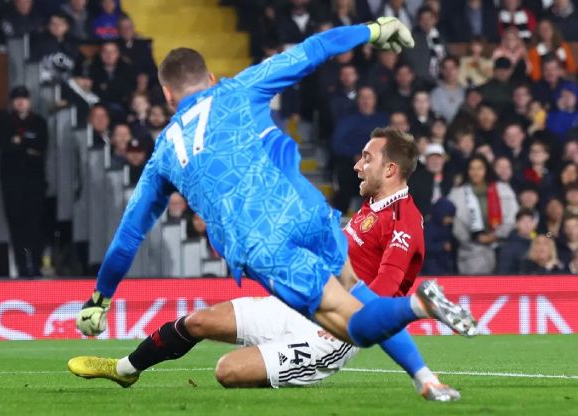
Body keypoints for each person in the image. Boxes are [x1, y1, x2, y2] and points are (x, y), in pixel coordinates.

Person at [69, 18, 476, 401]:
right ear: (210, 79)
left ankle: (417, 305)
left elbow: (129, 237)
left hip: (263, 240)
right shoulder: (239, 87)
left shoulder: (162, 155)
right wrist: (373, 29)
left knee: (350, 325)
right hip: (306, 208)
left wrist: (100, 298)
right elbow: (315, 48)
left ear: (167, 95)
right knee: (358, 295)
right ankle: (424, 376)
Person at [70, 131, 463, 400]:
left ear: (390, 169)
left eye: (367, 158)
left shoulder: (404, 224)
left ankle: (291, 368)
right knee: (198, 322)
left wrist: (419, 369)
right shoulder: (371, 207)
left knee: (227, 372)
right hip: (304, 302)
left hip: (330, 335)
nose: (358, 165)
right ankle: (124, 369)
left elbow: (381, 296)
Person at [0, 86, 48, 277]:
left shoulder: (39, 122)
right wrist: (27, 147)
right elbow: (5, 147)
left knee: (35, 225)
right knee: (16, 227)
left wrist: (19, 143)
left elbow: (41, 147)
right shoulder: (4, 122)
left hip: (34, 182)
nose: (20, 102)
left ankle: (35, 265)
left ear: (29, 101)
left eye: (24, 98)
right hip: (12, 184)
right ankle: (21, 267)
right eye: (17, 98)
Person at [448, 155, 518, 274]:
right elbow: (455, 224)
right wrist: (477, 238)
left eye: (480, 168)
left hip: (503, 244)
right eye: (472, 168)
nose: (476, 172)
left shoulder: (502, 189)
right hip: (471, 250)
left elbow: (513, 217)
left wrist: (496, 235)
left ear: (486, 170)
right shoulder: (456, 194)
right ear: (467, 171)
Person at [497, 208, 537, 274]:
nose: (527, 224)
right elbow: (503, 274)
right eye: (523, 221)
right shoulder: (508, 248)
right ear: (516, 224)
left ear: (534, 225)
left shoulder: (538, 244)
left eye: (530, 221)